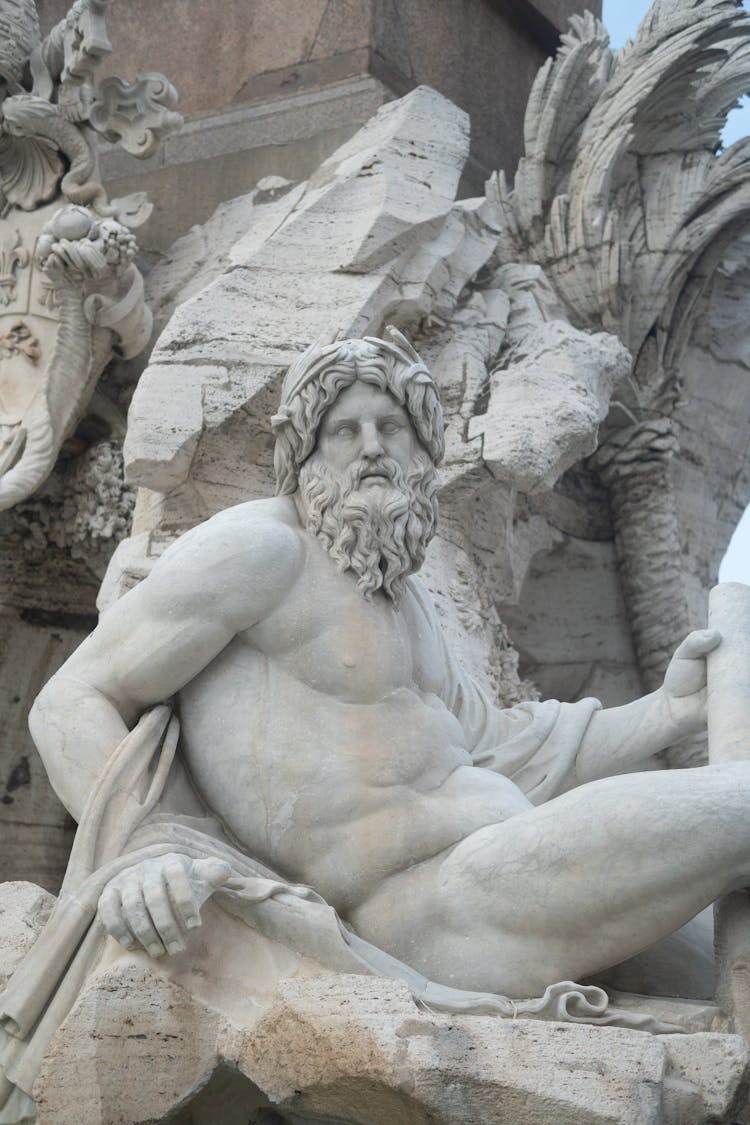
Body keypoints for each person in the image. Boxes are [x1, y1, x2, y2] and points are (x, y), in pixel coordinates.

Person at [28, 329, 736, 1000]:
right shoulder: (260, 551)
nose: (371, 447)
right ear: (306, 454)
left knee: (716, 957)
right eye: (346, 430)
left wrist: (665, 712)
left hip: (507, 875)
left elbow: (508, 750)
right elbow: (72, 696)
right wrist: (142, 849)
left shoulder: (404, 597)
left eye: (390, 427)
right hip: (429, 911)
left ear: (423, 450)